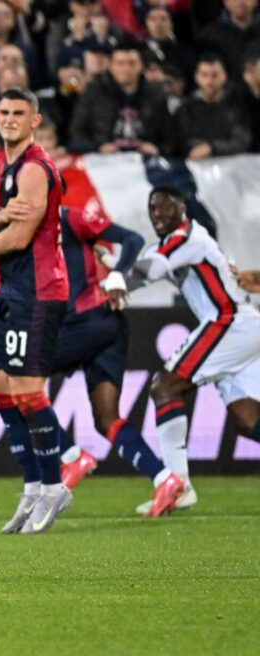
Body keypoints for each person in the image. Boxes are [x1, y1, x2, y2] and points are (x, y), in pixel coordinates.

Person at [0, 204, 185, 516]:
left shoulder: (54, 220)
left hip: (80, 322)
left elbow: (132, 239)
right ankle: (164, 479)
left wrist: (117, 274)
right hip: (109, 323)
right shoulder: (36, 221)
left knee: (14, 383)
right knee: (107, 418)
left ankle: (71, 456)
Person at [0, 87, 71, 535]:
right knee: (1, 390)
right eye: (3, 112)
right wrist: (4, 215)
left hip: (39, 291)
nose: (8, 119)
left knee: (28, 393)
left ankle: (54, 486)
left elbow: (21, 237)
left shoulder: (37, 169)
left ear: (34, 120)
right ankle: (32, 486)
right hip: (7, 290)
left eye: (18, 113)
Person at [132, 185, 260, 514]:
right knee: (247, 420)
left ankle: (178, 485)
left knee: (164, 387)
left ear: (182, 208)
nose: (158, 214)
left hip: (229, 321)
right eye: (153, 208)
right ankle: (179, 486)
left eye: (165, 207)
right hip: (242, 327)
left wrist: (113, 281)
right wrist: (111, 274)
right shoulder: (172, 244)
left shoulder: (187, 238)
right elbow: (144, 268)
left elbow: (149, 270)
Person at [67, 42, 173, 156]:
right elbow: (76, 131)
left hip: (146, 159)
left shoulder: (156, 95)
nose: (126, 68)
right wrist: (97, 148)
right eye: (120, 63)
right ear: (110, 66)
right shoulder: (93, 92)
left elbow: (169, 136)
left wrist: (157, 149)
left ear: (141, 66)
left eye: (132, 63)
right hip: (102, 159)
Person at [175, 55, 251, 160]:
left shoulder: (237, 106)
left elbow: (242, 142)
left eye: (215, 75)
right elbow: (180, 141)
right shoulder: (185, 108)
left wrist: (212, 147)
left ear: (224, 76)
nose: (209, 80)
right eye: (204, 75)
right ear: (196, 77)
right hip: (193, 163)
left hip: (230, 164)